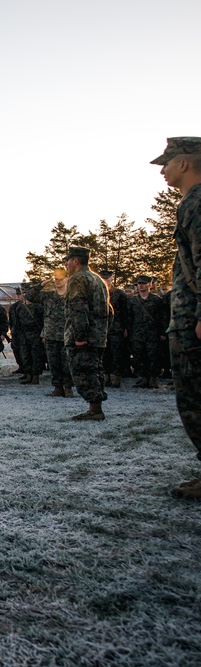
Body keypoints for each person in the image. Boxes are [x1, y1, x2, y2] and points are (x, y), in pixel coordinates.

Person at [151, 137, 201, 496]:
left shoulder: (196, 202)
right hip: (188, 315)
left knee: (195, 395)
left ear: (184, 163)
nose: (163, 170)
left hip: (192, 319)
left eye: (166, 163)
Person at [62, 246, 111, 421]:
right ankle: (95, 407)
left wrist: (80, 336)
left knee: (83, 371)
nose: (66, 263)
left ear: (76, 260)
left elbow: (78, 309)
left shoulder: (78, 279)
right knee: (95, 370)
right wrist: (102, 331)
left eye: (68, 260)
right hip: (98, 335)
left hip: (84, 337)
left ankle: (95, 409)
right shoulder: (98, 280)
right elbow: (109, 310)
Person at [27, 273, 75, 397]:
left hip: (67, 334)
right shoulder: (48, 296)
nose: (58, 281)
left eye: (61, 279)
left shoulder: (72, 296)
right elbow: (29, 296)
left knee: (67, 363)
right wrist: (41, 284)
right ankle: (57, 387)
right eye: (56, 279)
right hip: (50, 334)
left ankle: (68, 388)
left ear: (67, 279)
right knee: (53, 363)